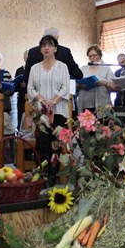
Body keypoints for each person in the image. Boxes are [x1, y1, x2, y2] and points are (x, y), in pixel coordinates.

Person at [27, 35, 70, 185]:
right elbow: (30, 88)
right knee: (42, 144)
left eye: (50, 45)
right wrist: (41, 100)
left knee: (57, 144)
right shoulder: (34, 68)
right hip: (41, 112)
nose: (46, 48)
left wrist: (53, 101)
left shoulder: (62, 67)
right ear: (40, 49)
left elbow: (66, 87)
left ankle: (56, 173)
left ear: (55, 48)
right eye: (43, 45)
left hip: (58, 111)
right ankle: (44, 175)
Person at [76, 45, 115, 113]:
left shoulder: (106, 68)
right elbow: (77, 82)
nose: (92, 58)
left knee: (101, 123)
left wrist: (104, 83)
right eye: (90, 56)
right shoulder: (83, 68)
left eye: (94, 55)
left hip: (101, 104)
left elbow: (114, 87)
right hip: (85, 104)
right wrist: (80, 85)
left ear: (99, 55)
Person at [15, 50, 28, 130]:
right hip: (22, 99)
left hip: (34, 99)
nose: (27, 58)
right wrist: (19, 85)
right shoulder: (19, 70)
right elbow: (15, 87)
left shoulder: (35, 69)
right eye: (25, 56)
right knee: (21, 119)